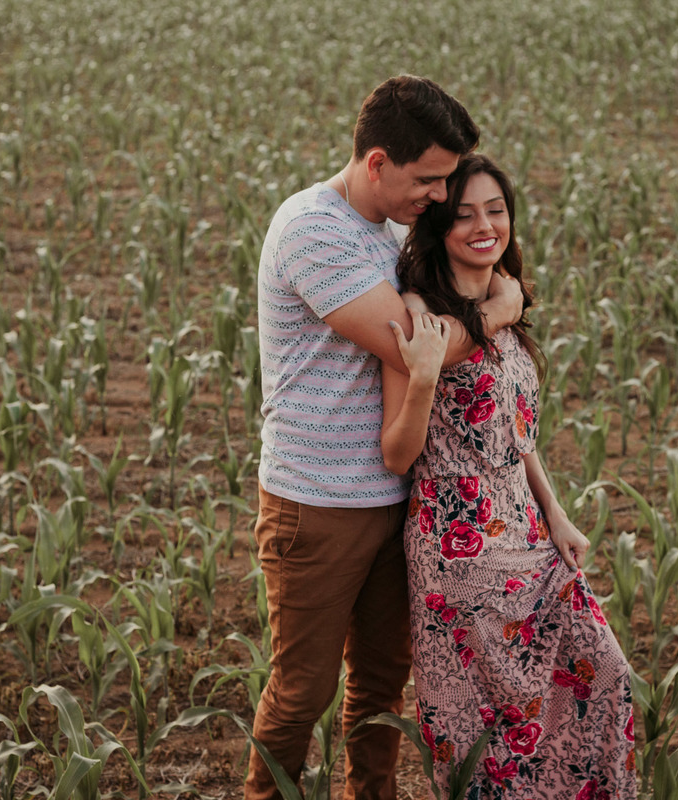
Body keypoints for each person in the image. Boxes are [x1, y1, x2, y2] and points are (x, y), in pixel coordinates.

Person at [251, 76, 524, 800]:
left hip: (400, 496)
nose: (440, 195)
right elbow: (417, 346)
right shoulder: (313, 229)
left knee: (380, 685)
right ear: (377, 163)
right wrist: (502, 309)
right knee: (302, 691)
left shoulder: (397, 229)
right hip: (317, 505)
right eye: (428, 179)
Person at [382, 154, 637, 799]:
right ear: (439, 226)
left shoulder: (506, 301)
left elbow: (517, 433)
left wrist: (556, 512)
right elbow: (397, 455)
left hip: (526, 529)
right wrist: (423, 377)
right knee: (492, 730)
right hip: (458, 545)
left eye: (495, 211)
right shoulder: (418, 315)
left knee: (606, 674)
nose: (483, 226)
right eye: (464, 214)